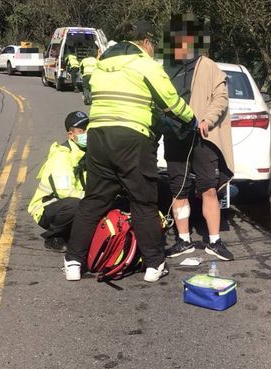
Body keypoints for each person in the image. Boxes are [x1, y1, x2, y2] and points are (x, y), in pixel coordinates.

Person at [63, 20, 196, 282]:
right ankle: (154, 264)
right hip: (133, 140)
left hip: (99, 137)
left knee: (94, 202)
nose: (153, 51)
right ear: (145, 42)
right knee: (143, 203)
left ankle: (73, 262)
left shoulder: (101, 65)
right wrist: (190, 118)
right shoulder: (145, 64)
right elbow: (170, 99)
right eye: (152, 46)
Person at [162, 14, 235, 261]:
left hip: (203, 137)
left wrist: (208, 120)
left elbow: (221, 98)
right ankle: (184, 241)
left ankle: (214, 241)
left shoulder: (208, 66)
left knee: (209, 189)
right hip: (174, 135)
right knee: (178, 189)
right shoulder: (164, 66)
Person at [28, 111, 89, 252]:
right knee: (76, 205)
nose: (86, 133)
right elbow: (64, 191)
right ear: (71, 135)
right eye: (82, 130)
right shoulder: (62, 156)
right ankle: (53, 237)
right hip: (47, 207)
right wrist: (92, 196)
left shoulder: (88, 152)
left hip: (70, 201)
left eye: (88, 129)